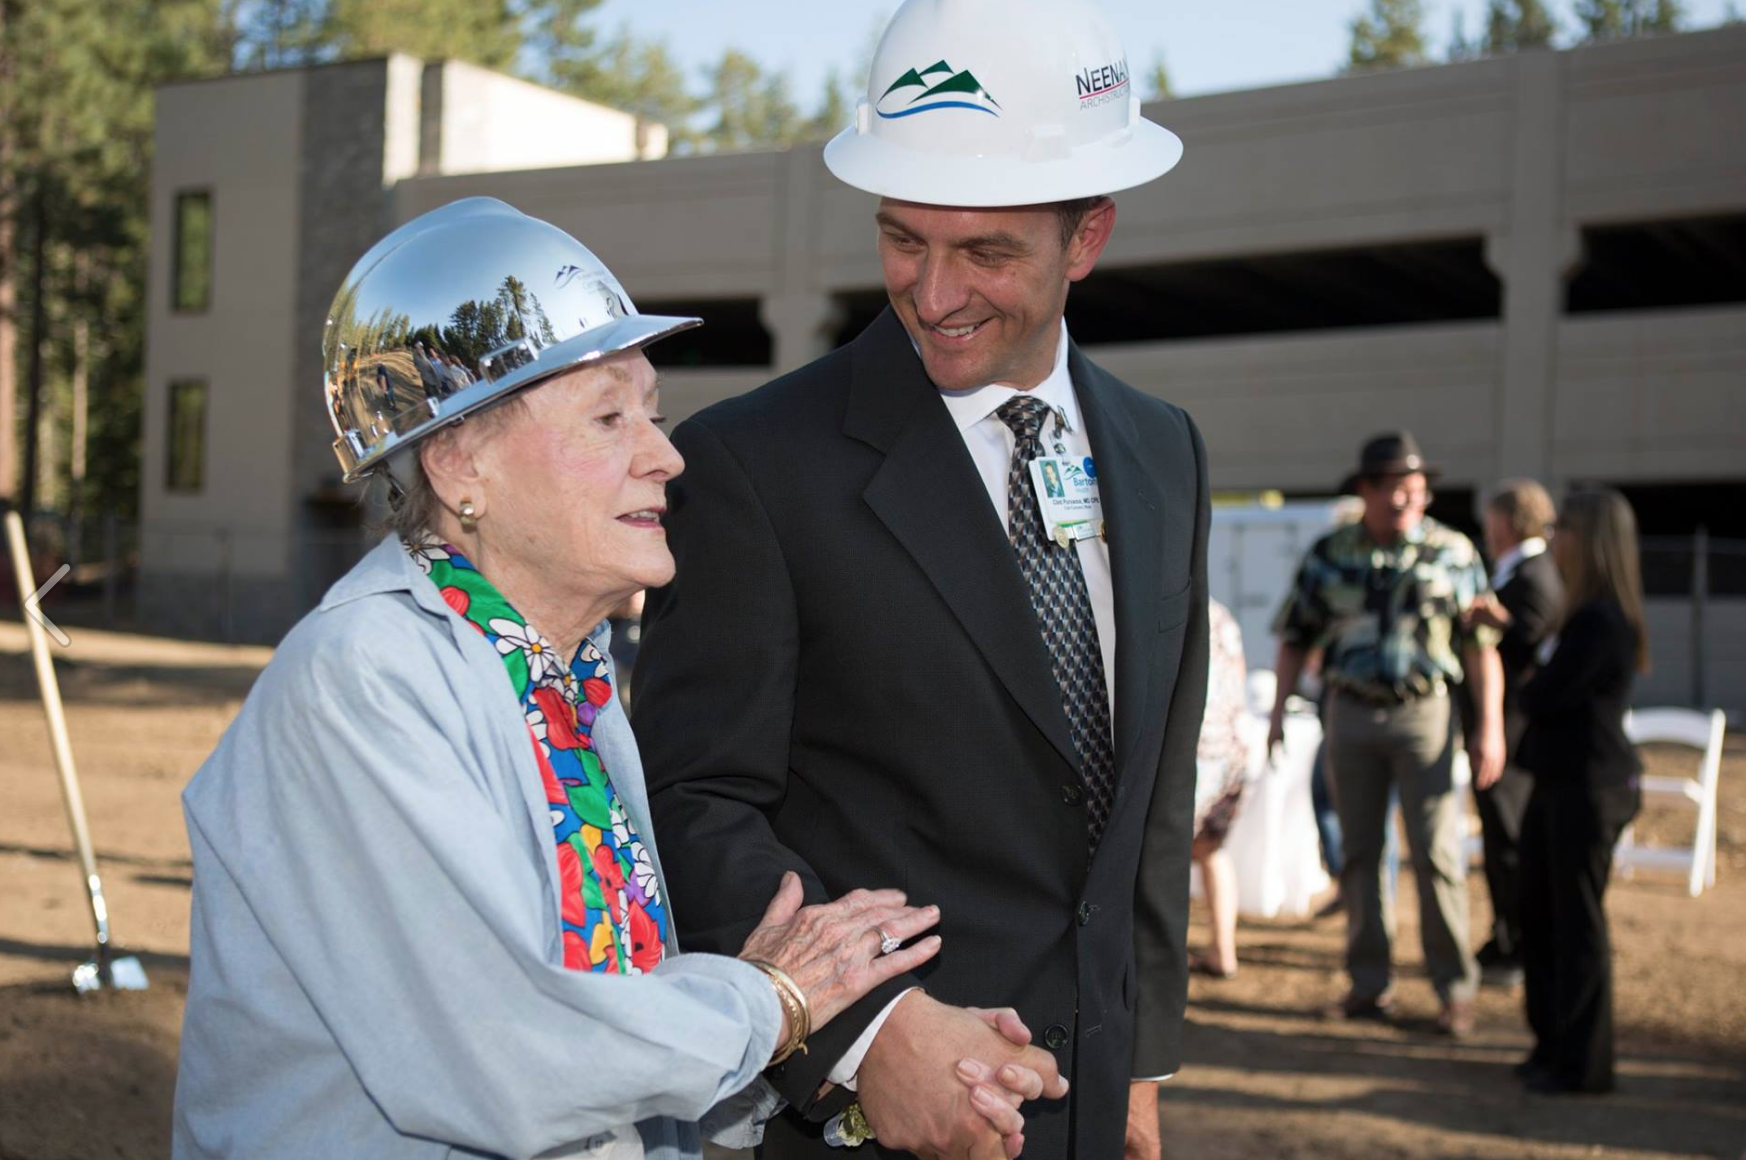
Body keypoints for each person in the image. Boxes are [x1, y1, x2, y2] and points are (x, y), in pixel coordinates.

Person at [172, 198, 1048, 1160]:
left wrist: (871, 1068)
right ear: (461, 461)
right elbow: (501, 1057)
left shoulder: (562, 678)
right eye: (608, 417)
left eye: (656, 414)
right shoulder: (363, 681)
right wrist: (779, 998)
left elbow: (622, 1013)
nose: (666, 456)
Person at [632, 2, 1206, 1156]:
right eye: (903, 239)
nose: (933, 294)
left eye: (987, 251)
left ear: (1086, 236)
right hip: (866, 1121)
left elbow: (1152, 797)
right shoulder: (755, 465)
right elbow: (694, 807)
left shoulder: (1166, 450)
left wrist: (1138, 1060)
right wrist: (861, 1030)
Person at [1268, 431, 1505, 1038]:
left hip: (1425, 715)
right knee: (1360, 854)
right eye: (1395, 488)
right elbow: (1295, 635)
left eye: (1417, 489)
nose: (1407, 500)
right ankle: (1368, 985)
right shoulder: (1329, 552)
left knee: (1438, 854)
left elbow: (1481, 649)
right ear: (1367, 490)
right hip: (1348, 713)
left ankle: (1455, 992)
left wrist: (1491, 728)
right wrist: (1278, 711)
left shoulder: (1453, 552)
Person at [1514, 487, 1647, 1095]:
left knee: (1577, 926)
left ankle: (1584, 1065)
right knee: (1543, 919)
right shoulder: (1582, 615)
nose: (1553, 536)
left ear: (1588, 538)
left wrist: (1532, 672)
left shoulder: (1599, 621)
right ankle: (1553, 1046)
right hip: (1563, 782)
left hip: (1588, 788)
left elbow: (1543, 697)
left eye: (1562, 526)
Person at [1462, 479, 1564, 989]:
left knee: (1512, 840)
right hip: (1502, 730)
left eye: (1492, 517)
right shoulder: (1517, 570)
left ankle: (1518, 944)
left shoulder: (1535, 572)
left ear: (1507, 521)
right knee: (1500, 839)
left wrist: (1498, 620)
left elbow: (1539, 643)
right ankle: (1504, 935)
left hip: (1514, 735)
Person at [1190, 600, 1251, 979]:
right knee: (1212, 850)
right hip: (1231, 748)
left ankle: (1161, 951)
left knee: (1168, 855)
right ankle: (1223, 950)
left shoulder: (1179, 606)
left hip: (1196, 751)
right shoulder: (1223, 614)